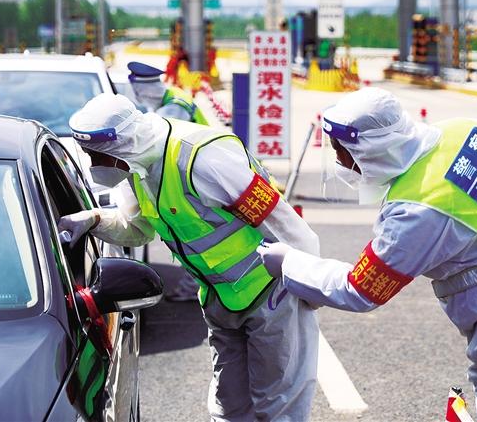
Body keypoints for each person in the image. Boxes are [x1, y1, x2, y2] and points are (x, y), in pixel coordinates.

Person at [257, 87, 477, 422]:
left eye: (342, 152)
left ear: (370, 149)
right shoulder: (467, 132)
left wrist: (291, 263)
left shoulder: (417, 211)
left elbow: (360, 288)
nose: (340, 162)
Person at [58, 93, 319, 422]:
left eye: (96, 156)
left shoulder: (203, 160)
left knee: (279, 405)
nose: (94, 166)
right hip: (221, 299)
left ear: (121, 144)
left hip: (272, 293)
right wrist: (94, 220)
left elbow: (286, 225)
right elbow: (137, 230)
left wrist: (309, 288)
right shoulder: (135, 168)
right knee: (229, 407)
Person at [127, 60, 209, 301]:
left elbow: (155, 145)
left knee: (193, 235)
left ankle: (192, 288)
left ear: (146, 90)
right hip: (194, 172)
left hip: (193, 177)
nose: (139, 97)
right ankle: (194, 286)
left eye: (140, 92)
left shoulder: (173, 109)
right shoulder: (172, 97)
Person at [127, 60, 209, 125]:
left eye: (138, 92)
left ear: (149, 92)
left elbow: (157, 131)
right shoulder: (171, 92)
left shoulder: (174, 107)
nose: (138, 97)